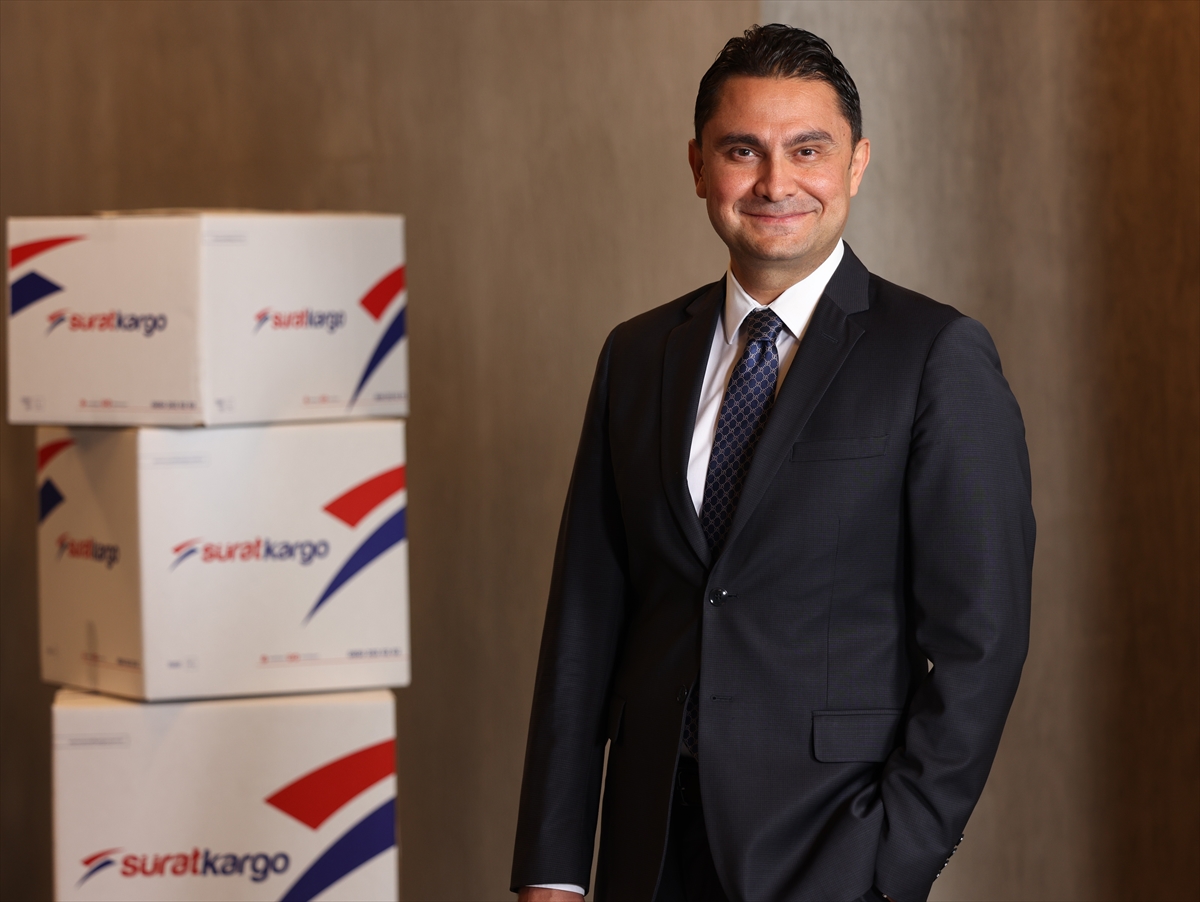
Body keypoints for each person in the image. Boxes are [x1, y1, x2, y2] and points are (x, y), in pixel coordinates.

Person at [511, 23, 1034, 902]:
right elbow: (583, 624)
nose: (775, 183)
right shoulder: (637, 355)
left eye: (807, 150)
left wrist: (895, 860)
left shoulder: (934, 355)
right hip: (650, 849)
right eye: (742, 150)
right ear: (698, 166)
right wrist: (554, 868)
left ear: (857, 164)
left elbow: (983, 640)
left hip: (831, 848)